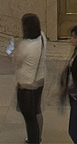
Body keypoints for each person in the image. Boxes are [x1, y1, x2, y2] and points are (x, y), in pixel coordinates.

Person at [12, 13, 48, 144]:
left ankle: (33, 140)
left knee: (29, 117)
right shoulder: (43, 37)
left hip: (27, 86)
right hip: (40, 80)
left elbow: (16, 62)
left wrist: (15, 48)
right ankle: (38, 137)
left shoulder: (25, 46)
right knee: (37, 111)